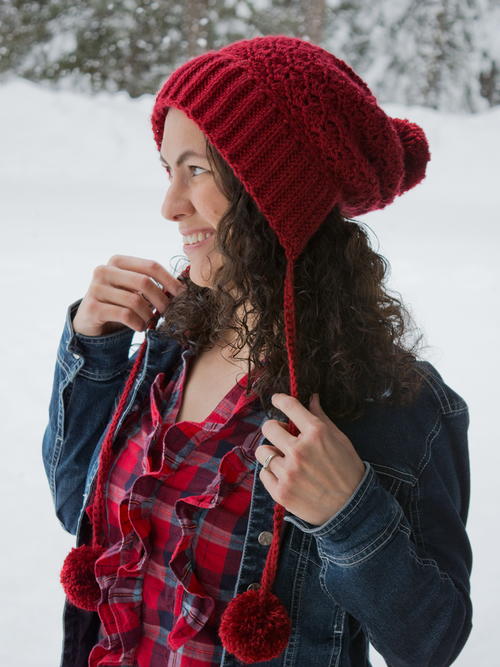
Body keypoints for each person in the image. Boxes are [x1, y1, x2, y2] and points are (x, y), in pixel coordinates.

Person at [42, 35, 473, 667]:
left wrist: (347, 515)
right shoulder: (168, 344)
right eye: (168, 169)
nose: (169, 206)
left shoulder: (390, 401)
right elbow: (74, 503)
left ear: (273, 189)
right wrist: (91, 349)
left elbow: (431, 641)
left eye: (196, 170)